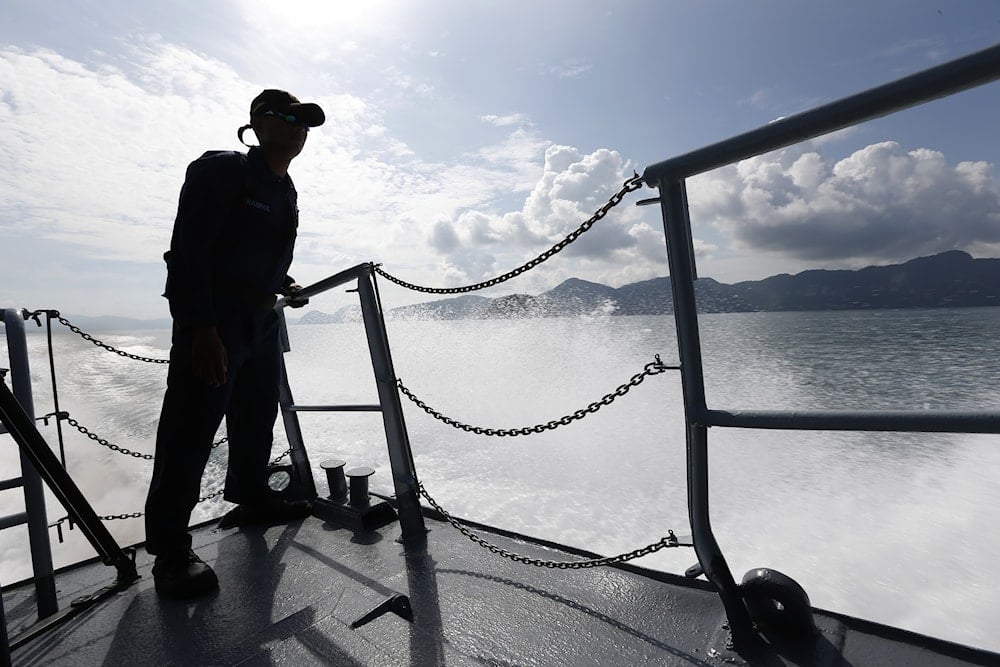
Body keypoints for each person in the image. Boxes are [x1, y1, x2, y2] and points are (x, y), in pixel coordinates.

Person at [145, 89, 324, 599]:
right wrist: (201, 329)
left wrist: (284, 281)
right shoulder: (222, 171)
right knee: (189, 430)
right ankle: (170, 552)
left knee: (256, 415)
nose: (298, 127)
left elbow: (251, 249)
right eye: (288, 117)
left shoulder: (283, 188)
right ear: (257, 122)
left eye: (304, 121)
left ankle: (252, 498)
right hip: (214, 320)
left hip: (259, 319)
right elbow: (190, 249)